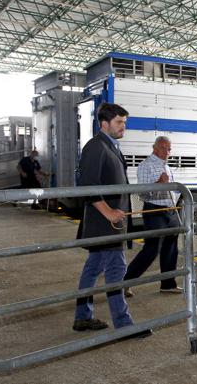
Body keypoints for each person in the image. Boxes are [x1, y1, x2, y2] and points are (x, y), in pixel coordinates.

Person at [73, 102, 151, 339]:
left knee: (93, 269)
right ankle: (124, 325)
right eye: (119, 122)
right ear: (104, 123)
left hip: (108, 222)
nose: (123, 127)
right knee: (116, 271)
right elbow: (88, 184)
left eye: (124, 122)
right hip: (105, 222)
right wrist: (108, 212)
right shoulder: (96, 147)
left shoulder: (110, 146)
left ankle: (82, 317)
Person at [124, 136, 182, 297]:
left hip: (170, 210)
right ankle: (125, 282)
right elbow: (143, 193)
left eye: (169, 149)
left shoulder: (167, 166)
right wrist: (158, 183)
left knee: (171, 249)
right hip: (154, 211)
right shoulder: (145, 166)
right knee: (151, 249)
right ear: (154, 148)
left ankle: (168, 284)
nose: (167, 152)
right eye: (163, 148)